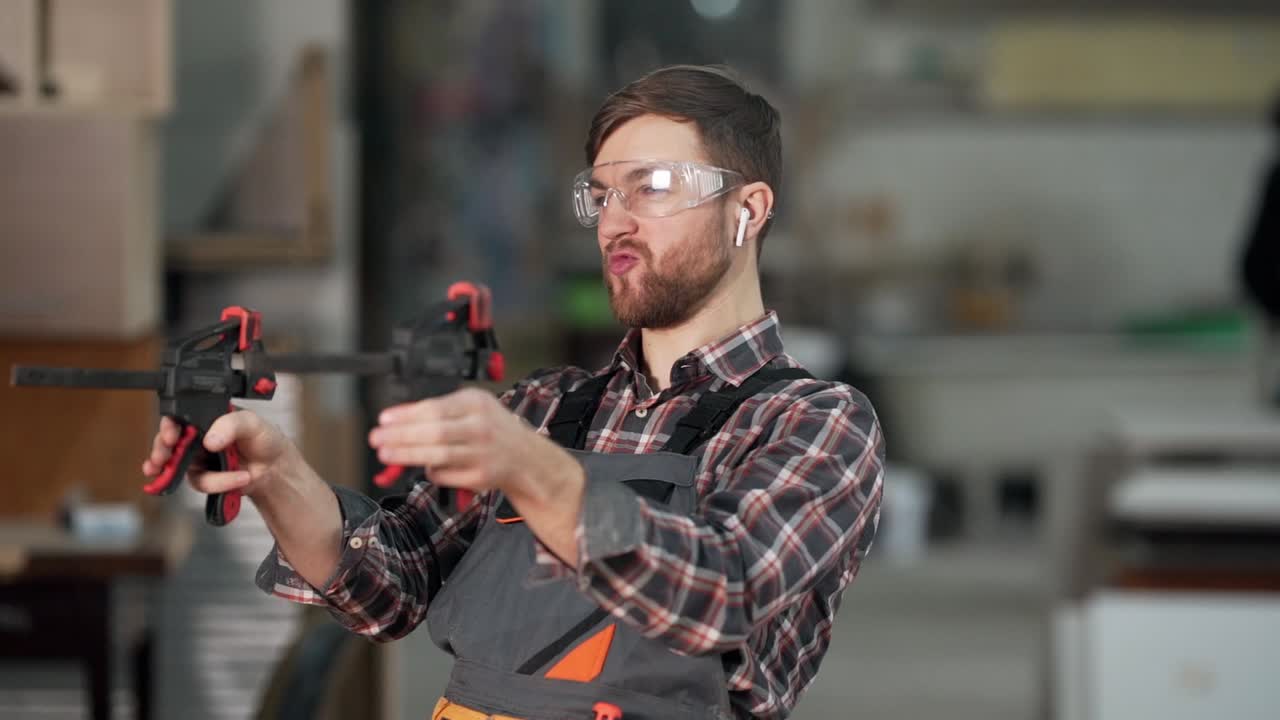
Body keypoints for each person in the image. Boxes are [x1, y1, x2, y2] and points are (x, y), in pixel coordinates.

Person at [143, 65, 884, 720]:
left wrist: (529, 470)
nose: (615, 222)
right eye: (602, 194)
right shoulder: (544, 408)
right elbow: (391, 586)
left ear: (748, 209)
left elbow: (718, 595)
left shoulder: (814, 424)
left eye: (653, 187)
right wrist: (277, 474)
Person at [1241, 94, 1280, 406]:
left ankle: (1268, 391)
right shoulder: (1275, 176)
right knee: (1266, 335)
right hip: (1268, 271)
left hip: (1265, 270)